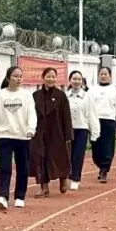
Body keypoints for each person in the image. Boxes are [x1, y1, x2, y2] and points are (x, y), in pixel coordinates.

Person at [0, 65, 37, 209]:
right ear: (8, 78)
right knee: (4, 167)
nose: (18, 78)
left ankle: (20, 196)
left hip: (23, 136)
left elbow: (32, 114)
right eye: (15, 76)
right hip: (4, 136)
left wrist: (31, 129)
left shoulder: (26, 95)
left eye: (20, 76)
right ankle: (2, 195)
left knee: (22, 168)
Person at [30, 67, 74, 196]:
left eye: (53, 76)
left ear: (56, 78)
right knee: (40, 158)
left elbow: (67, 116)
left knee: (60, 157)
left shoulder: (61, 95)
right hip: (40, 133)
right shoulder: (35, 96)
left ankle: (63, 179)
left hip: (57, 132)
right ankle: (44, 187)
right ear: (43, 78)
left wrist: (68, 133)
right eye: (48, 76)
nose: (51, 79)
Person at [89, 66, 116, 183]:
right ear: (98, 75)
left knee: (107, 146)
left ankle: (104, 169)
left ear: (110, 76)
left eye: (106, 74)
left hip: (109, 121)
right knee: (96, 146)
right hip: (95, 121)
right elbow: (87, 107)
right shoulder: (92, 90)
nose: (103, 76)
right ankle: (99, 165)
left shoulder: (115, 91)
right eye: (101, 74)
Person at [66, 70, 100, 190]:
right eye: (74, 79)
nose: (76, 81)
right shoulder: (65, 96)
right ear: (70, 80)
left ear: (82, 81)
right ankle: (66, 176)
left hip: (82, 129)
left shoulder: (87, 96)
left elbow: (92, 114)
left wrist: (95, 133)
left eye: (79, 79)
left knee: (78, 155)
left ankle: (75, 178)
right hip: (67, 130)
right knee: (67, 155)